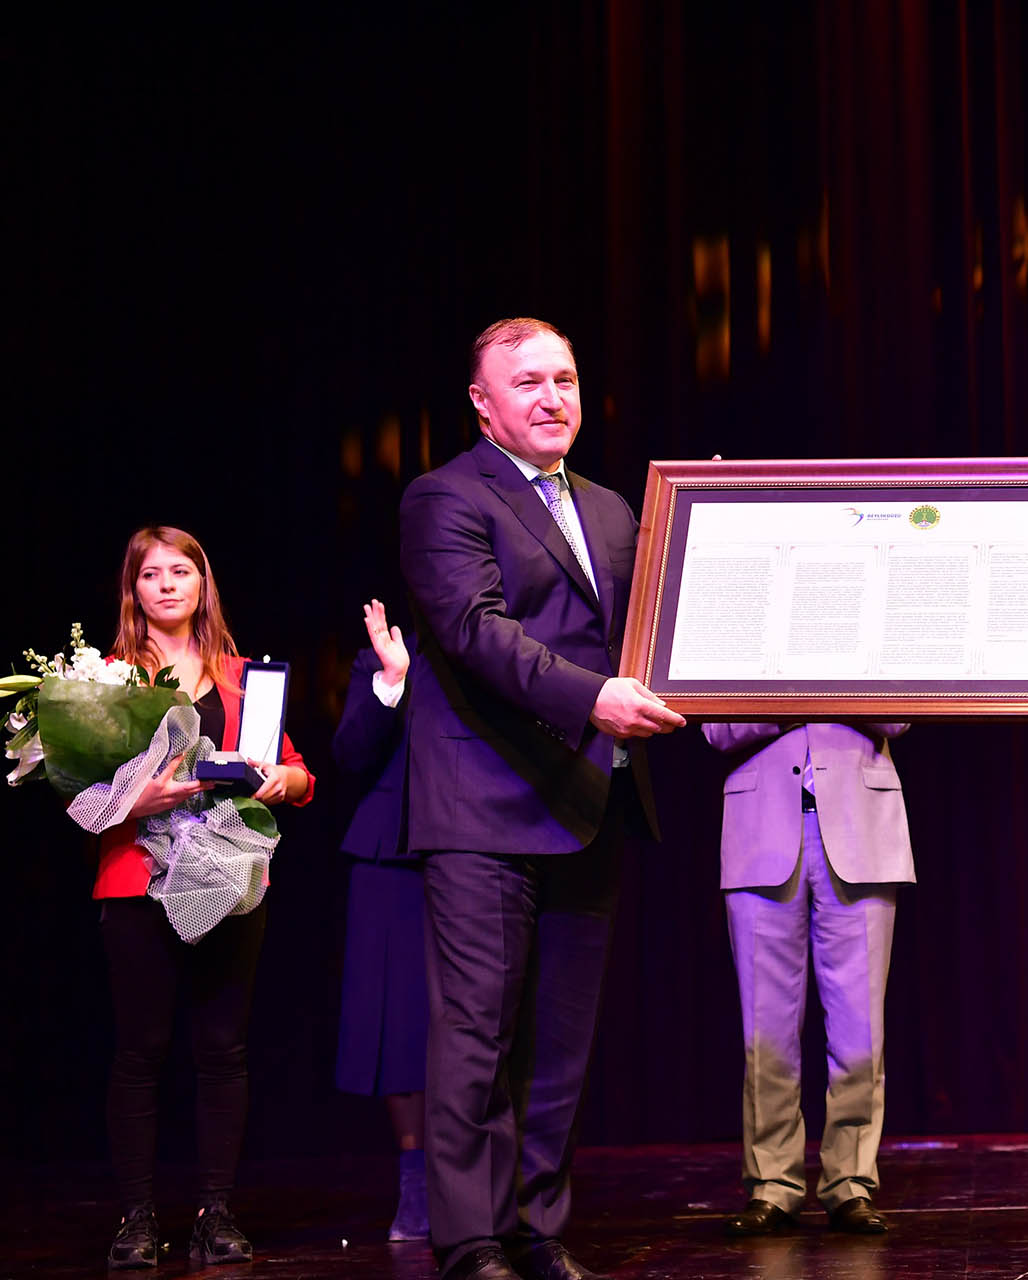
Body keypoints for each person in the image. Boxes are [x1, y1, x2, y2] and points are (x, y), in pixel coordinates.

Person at [398, 317, 684, 1280]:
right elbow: (475, 630)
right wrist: (593, 697)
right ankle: (471, 1241)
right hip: (484, 805)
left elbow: (659, 629)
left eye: (564, 378)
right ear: (483, 404)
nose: (553, 397)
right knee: (477, 1033)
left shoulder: (610, 506)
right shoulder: (446, 496)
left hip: (588, 799)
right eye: (527, 382)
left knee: (560, 1042)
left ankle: (535, 1229)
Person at [96, 525, 315, 1269]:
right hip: (138, 879)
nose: (166, 584)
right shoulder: (103, 681)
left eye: (180, 571)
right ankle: (137, 1219)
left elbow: (296, 772)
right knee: (140, 1051)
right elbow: (74, 785)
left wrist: (281, 780)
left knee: (223, 1049)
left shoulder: (246, 678)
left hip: (228, 880)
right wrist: (135, 800)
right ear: (133, 590)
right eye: (150, 574)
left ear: (202, 584)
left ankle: (215, 1212)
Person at [702, 722, 913, 1236]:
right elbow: (717, 730)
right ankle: (771, 1184)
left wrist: (827, 681)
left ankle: (851, 1181)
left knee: (860, 1032)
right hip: (760, 830)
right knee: (765, 1032)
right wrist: (790, 695)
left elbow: (898, 716)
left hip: (862, 830)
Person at [332, 599, 428, 1241]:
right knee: (400, 1026)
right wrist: (391, 680)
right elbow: (350, 753)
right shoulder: (387, 655)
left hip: (487, 845)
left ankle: (481, 1181)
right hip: (395, 850)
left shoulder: (511, 654)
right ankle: (416, 1182)